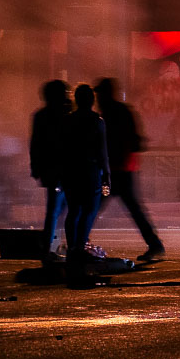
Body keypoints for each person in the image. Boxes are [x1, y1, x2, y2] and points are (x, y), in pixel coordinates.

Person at [94, 78, 165, 263]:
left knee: (93, 207)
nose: (97, 97)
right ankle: (155, 244)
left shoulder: (108, 113)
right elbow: (135, 139)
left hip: (117, 170)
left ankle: (78, 243)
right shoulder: (120, 111)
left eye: (99, 93)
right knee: (132, 209)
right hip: (123, 168)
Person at [63, 84, 111, 270]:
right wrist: (106, 174)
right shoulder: (97, 121)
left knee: (74, 210)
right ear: (91, 100)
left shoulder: (67, 121)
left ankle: (72, 247)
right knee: (89, 210)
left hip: (70, 170)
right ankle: (79, 247)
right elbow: (102, 151)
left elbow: (62, 147)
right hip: (90, 170)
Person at [29, 80, 71, 265]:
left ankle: (50, 246)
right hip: (65, 169)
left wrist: (36, 167)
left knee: (55, 210)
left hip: (52, 169)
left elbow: (35, 144)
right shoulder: (65, 114)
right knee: (63, 210)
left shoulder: (41, 116)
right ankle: (52, 247)